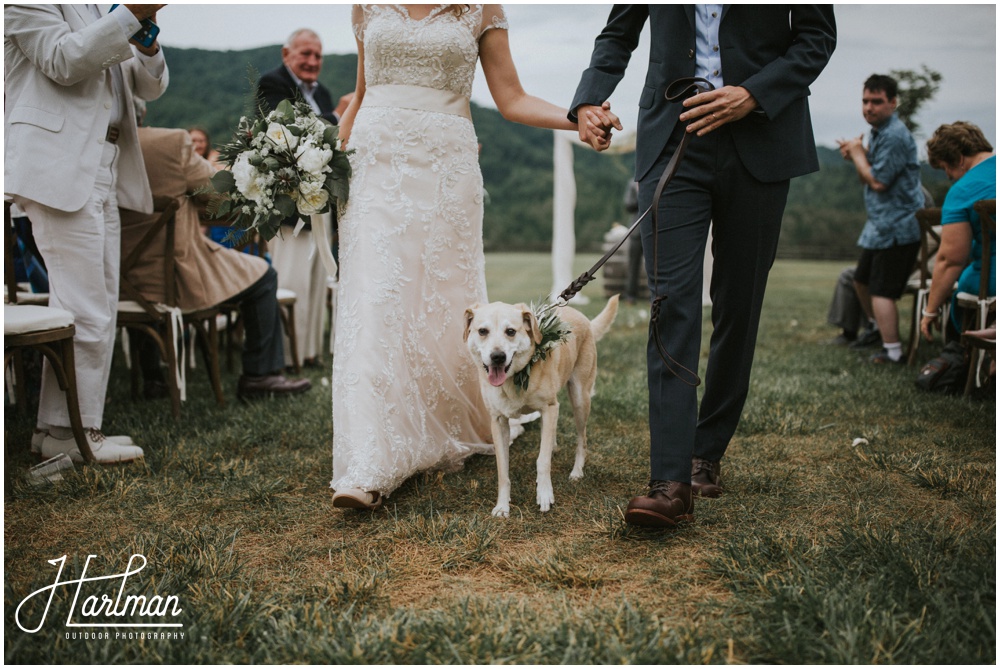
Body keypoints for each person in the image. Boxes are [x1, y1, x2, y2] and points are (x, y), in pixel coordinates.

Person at [571, 6, 836, 526]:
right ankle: (669, 482)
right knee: (672, 303)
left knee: (739, 306)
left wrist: (754, 93)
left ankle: (705, 452)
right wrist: (585, 101)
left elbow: (816, 38)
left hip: (761, 138)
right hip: (673, 140)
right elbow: (618, 33)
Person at [330, 4, 596, 510]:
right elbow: (362, 93)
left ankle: (451, 422)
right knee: (374, 301)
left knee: (441, 306)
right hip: (374, 164)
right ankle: (368, 463)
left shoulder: (480, 8)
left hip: (446, 169)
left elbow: (511, 98)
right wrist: (323, 159)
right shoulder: (365, 4)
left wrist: (575, 117)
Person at [5, 4, 169, 464]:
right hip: (58, 160)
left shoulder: (104, 6)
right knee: (85, 306)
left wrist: (148, 38)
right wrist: (132, 13)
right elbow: (63, 59)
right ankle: (69, 434)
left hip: (106, 165)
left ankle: (61, 429)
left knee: (94, 305)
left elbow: (149, 86)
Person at [122, 116, 313, 401]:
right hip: (177, 275)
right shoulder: (168, 142)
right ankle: (259, 376)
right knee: (264, 276)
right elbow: (215, 189)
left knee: (146, 286)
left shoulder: (93, 142)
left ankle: (153, 378)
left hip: (120, 280)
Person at [257, 28, 342, 370]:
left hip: (321, 202)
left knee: (316, 279)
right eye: (305, 53)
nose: (312, 62)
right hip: (288, 202)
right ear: (286, 53)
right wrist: (337, 116)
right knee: (291, 281)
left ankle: (309, 353)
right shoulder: (271, 83)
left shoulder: (322, 92)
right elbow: (291, 129)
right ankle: (286, 356)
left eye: (317, 55)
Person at [838, 74, 924, 364]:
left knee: (881, 291)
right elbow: (871, 171)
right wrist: (857, 156)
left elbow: (877, 182)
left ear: (893, 103)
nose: (869, 108)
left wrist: (859, 154)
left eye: (876, 102)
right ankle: (876, 329)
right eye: (865, 101)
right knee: (860, 281)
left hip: (899, 226)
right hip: (880, 224)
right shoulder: (878, 132)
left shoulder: (895, 135)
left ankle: (894, 353)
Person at [920, 122, 996, 342]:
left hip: (989, 279)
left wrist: (930, 310)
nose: (950, 176)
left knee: (964, 282)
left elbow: (950, 259)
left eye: (946, 168)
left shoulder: (963, 190)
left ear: (959, 159)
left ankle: (968, 352)